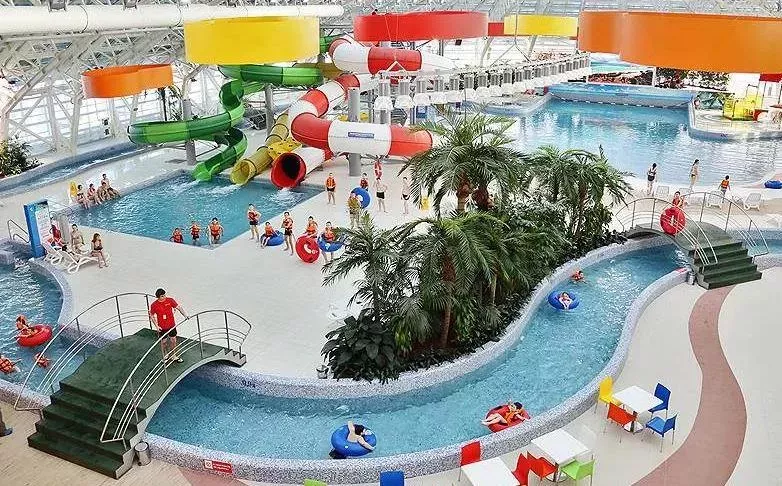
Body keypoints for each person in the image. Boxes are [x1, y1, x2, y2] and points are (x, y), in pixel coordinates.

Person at [149, 288, 188, 364]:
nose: (164, 297)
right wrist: (157, 326)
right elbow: (152, 316)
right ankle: (165, 354)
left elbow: (179, 307)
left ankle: (173, 355)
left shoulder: (170, 300)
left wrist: (185, 315)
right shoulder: (154, 305)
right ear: (158, 297)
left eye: (164, 295)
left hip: (171, 325)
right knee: (164, 342)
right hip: (162, 327)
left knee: (173, 340)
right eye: (162, 296)